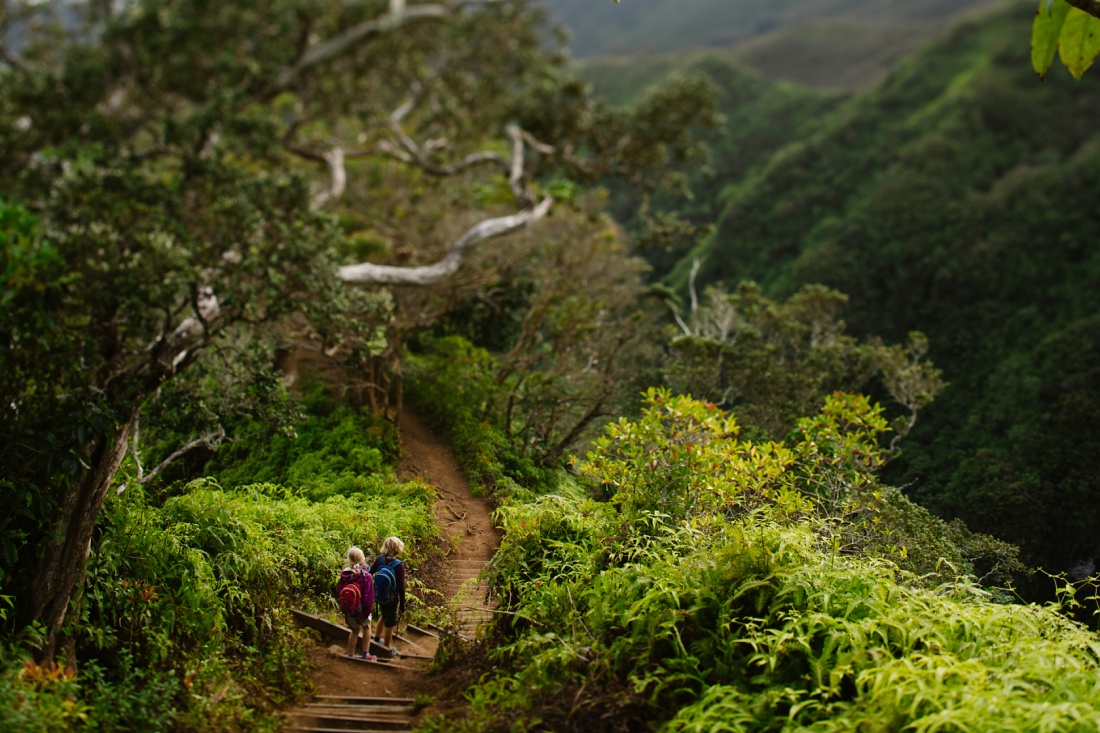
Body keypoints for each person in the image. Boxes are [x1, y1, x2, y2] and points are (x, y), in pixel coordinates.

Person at [336, 546, 376, 660]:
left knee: (354, 631)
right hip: (362, 610)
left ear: (349, 559)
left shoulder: (344, 575)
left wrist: (345, 608)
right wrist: (366, 613)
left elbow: (339, 592)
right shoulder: (366, 576)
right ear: (362, 559)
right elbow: (369, 597)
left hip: (349, 610)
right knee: (367, 628)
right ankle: (365, 654)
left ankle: (350, 654)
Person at [370, 536, 406, 658]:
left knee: (383, 614)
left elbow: (370, 573)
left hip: (379, 595)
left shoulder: (379, 559)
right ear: (397, 549)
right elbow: (401, 587)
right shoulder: (398, 565)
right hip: (392, 599)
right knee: (390, 623)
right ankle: (386, 647)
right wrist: (402, 604)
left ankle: (376, 639)